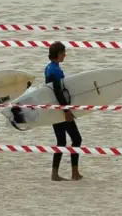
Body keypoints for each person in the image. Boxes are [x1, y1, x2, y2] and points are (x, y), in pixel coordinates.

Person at [45, 41, 83, 181]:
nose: (65, 55)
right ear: (59, 54)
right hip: (60, 109)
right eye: (64, 53)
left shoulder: (50, 67)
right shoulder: (54, 71)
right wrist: (66, 110)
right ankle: (74, 173)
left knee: (61, 140)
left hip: (54, 108)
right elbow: (58, 92)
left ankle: (55, 173)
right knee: (76, 139)